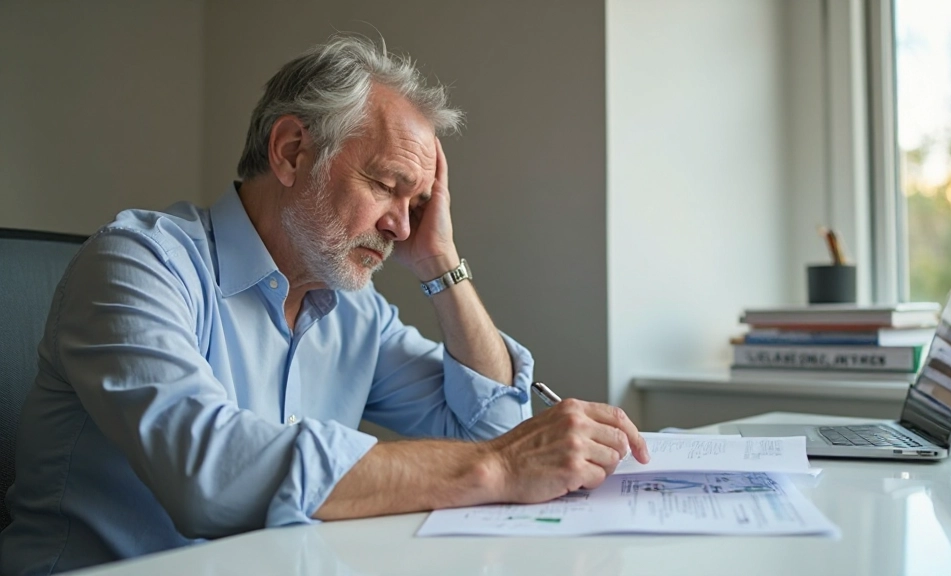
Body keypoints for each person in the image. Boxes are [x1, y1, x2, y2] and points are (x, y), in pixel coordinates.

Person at [0, 35, 649, 574]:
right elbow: (209, 479)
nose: (401, 226)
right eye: (388, 187)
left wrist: (441, 261)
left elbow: (492, 427)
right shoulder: (138, 265)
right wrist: (498, 467)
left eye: (417, 205)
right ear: (291, 152)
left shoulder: (351, 311)